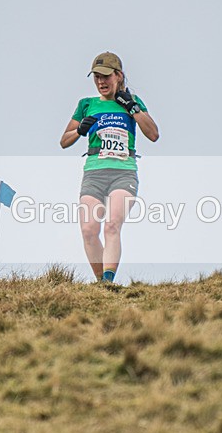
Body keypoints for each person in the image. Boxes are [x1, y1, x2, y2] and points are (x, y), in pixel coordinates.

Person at [60, 52, 159, 283]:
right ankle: (102, 285)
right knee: (88, 230)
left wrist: (132, 108)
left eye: (105, 76)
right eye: (96, 77)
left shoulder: (132, 101)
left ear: (118, 76)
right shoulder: (86, 104)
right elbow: (64, 141)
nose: (101, 82)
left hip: (124, 172)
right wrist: (80, 131)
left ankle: (108, 279)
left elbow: (153, 134)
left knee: (112, 225)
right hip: (94, 172)